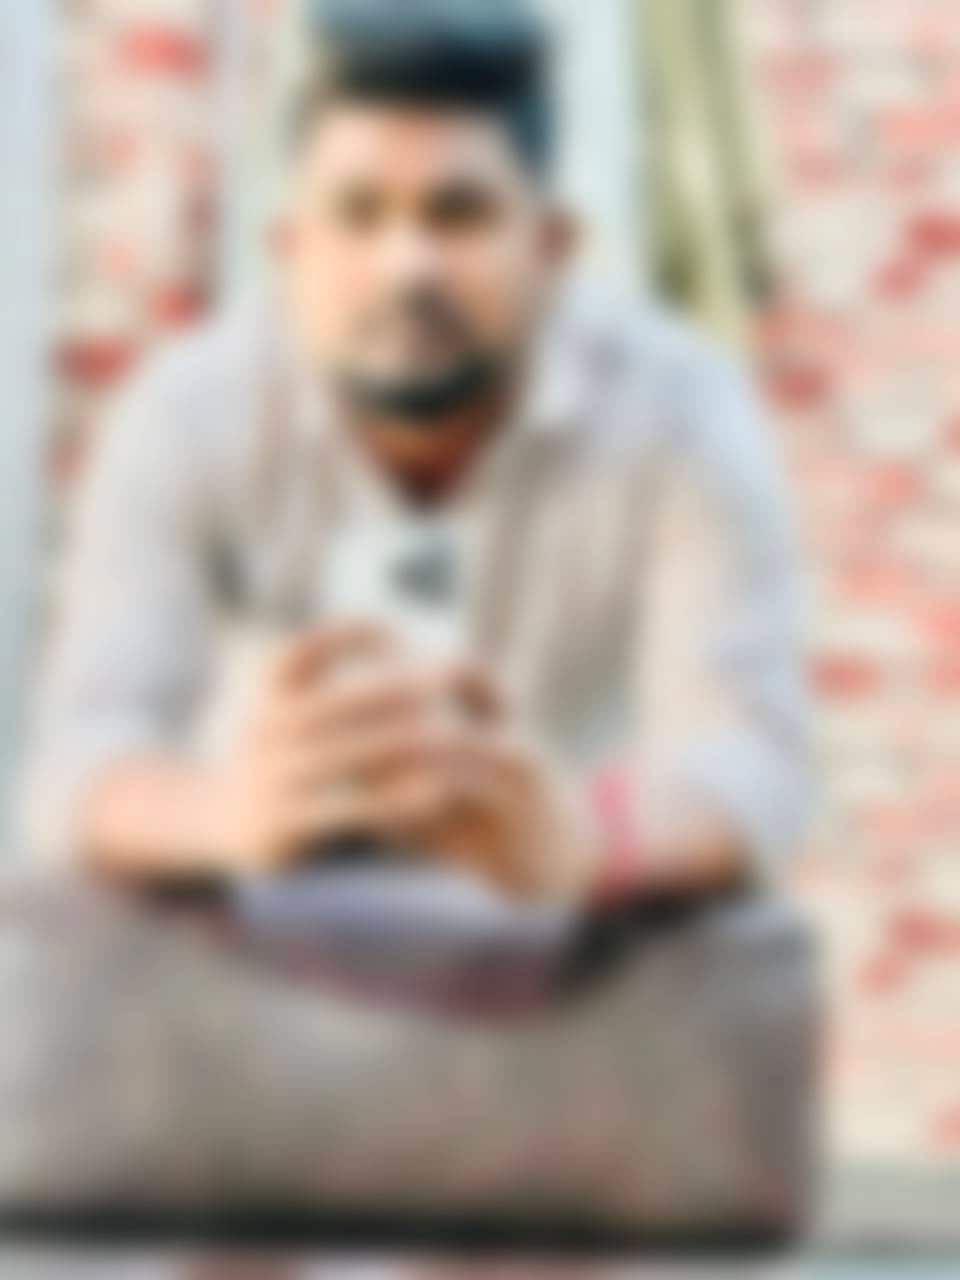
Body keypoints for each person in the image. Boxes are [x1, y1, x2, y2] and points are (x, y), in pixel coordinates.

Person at [21, 0, 811, 909]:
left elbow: (754, 764)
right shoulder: (187, 413)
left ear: (552, 247)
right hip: (265, 924)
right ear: (290, 248)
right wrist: (230, 814)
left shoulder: (680, 409)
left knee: (751, 950)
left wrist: (584, 840)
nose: (408, 266)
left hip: (579, 932)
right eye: (358, 214)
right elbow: (79, 762)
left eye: (458, 213)